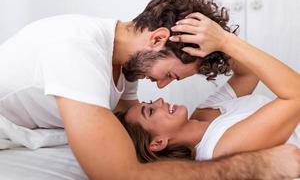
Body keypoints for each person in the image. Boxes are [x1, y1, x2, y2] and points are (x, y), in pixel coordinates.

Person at [0, 0, 299, 179]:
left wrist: (220, 42)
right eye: (169, 74)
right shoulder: (76, 51)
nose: (160, 88)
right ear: (157, 39)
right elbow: (120, 172)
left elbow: (248, 72)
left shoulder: (122, 65)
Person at [117, 11, 300, 165]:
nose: (159, 100)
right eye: (150, 111)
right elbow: (296, 96)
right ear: (158, 143)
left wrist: (206, 45)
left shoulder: (203, 116)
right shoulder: (221, 150)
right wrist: (225, 41)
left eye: (150, 103)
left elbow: (248, 73)